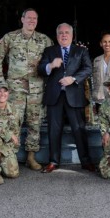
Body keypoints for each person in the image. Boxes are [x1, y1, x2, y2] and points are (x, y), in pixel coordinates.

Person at [0, 8, 53, 171]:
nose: (32, 21)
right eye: (29, 18)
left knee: (35, 124)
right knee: (13, 124)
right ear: (22, 19)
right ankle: (10, 157)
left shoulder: (44, 40)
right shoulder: (10, 38)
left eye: (35, 19)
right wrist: (1, 85)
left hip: (36, 91)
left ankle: (31, 157)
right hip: (15, 91)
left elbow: (51, 63)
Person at [38, 23, 94, 173]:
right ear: (57, 36)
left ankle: (86, 161)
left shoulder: (81, 51)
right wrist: (50, 65)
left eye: (66, 33)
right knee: (53, 130)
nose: (64, 35)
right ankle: (53, 161)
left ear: (72, 35)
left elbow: (88, 68)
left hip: (74, 95)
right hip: (54, 96)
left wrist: (73, 79)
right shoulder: (49, 51)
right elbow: (40, 69)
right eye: (60, 33)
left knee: (79, 129)